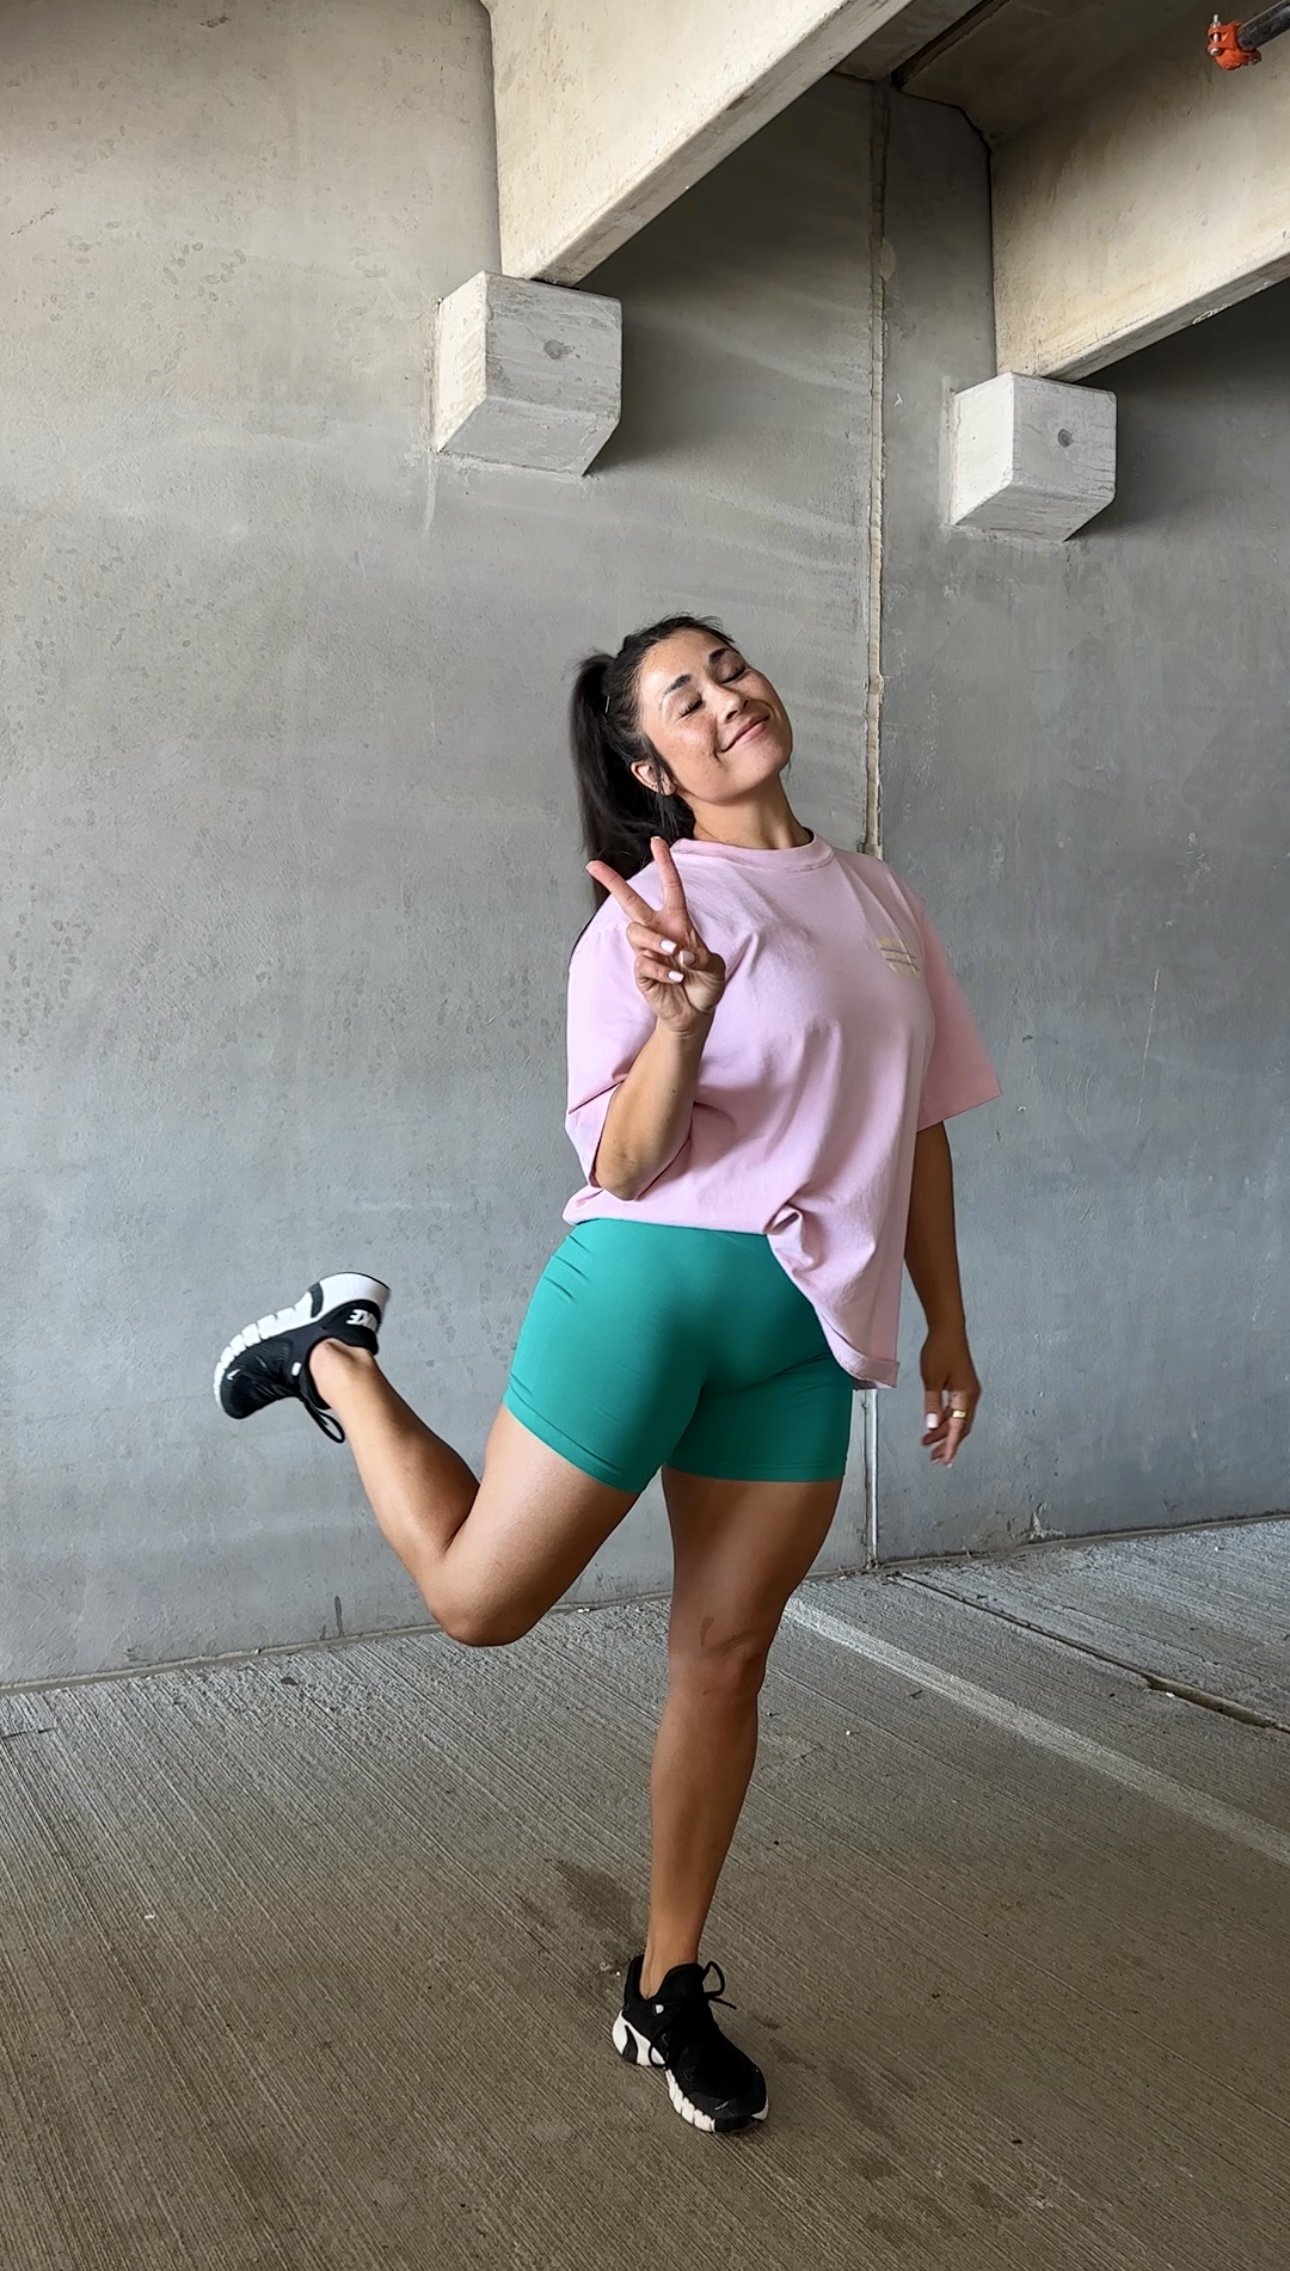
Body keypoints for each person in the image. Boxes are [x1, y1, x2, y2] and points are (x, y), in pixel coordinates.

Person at [214, 614, 1000, 2136]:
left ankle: (665, 1982)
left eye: (731, 670)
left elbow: (918, 1130)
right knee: (477, 1605)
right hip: (646, 1295)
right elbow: (626, 1161)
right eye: (683, 700)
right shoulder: (644, 916)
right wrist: (679, 1025)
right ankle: (330, 1353)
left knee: (725, 1659)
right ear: (650, 765)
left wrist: (946, 1326)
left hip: (801, 1335)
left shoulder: (879, 896)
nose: (727, 701)